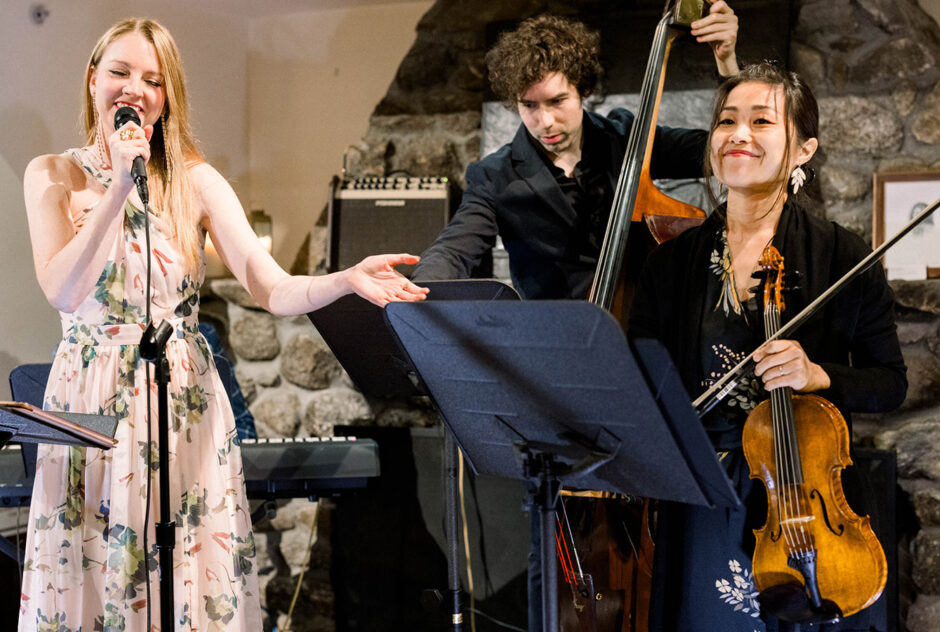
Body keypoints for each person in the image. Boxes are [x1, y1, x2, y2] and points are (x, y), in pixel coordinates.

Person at [18, 18, 427, 632]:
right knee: (95, 578)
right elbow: (64, 288)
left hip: (181, 405)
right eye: (120, 73)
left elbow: (272, 286)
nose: (135, 89)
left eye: (153, 80)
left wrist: (344, 280)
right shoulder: (51, 175)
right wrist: (116, 192)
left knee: (184, 576)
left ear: (168, 96)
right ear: (92, 81)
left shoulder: (197, 182)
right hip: (93, 398)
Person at [628, 62, 907, 631]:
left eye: (761, 121)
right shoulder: (669, 266)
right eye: (726, 121)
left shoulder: (842, 256)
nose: (738, 134)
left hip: (809, 500)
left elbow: (891, 382)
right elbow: (641, 383)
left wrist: (817, 375)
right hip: (704, 500)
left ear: (804, 149)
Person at [411, 3, 740, 299]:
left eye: (557, 101)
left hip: (648, 329)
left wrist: (726, 63)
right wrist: (416, 291)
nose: (545, 122)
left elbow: (726, 148)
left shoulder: (627, 138)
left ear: (582, 90)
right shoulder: (495, 175)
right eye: (529, 106)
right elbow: (454, 250)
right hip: (559, 340)